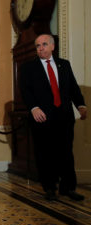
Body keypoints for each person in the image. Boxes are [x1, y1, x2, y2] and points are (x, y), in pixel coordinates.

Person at [20, 34, 87, 201]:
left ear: (52, 46)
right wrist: (34, 108)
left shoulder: (64, 64)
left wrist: (81, 105)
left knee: (66, 153)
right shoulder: (28, 67)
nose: (40, 48)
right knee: (45, 153)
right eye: (37, 46)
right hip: (42, 117)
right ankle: (49, 188)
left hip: (64, 117)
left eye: (44, 44)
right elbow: (25, 91)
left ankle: (68, 188)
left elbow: (72, 87)